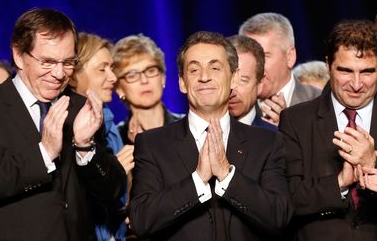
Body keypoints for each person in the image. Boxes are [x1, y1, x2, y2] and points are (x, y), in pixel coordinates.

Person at [129, 31, 292, 240]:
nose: (204, 77)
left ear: (234, 78)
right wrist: (197, 180)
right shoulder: (152, 144)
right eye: (194, 69)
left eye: (215, 68)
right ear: (182, 82)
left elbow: (279, 217)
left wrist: (227, 174)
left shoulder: (268, 143)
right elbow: (141, 220)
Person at [279, 20, 377, 241]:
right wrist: (339, 182)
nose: (357, 84)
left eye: (368, 72)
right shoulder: (296, 120)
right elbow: (285, 201)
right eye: (346, 71)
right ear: (328, 64)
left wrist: (373, 164)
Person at [0, 8, 126, 240]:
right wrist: (44, 153)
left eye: (68, 62)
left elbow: (113, 190)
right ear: (18, 55)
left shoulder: (81, 107)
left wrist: (85, 147)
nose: (59, 73)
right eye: (47, 61)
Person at [68, 32, 134, 241]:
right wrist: (112, 170)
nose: (113, 77)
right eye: (101, 69)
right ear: (73, 75)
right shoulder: (65, 128)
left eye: (111, 68)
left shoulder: (110, 125)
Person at [239, 12, 320, 125]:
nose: (255, 67)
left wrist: (286, 130)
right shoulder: (232, 105)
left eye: (264, 56)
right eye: (250, 57)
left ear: (290, 57)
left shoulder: (321, 102)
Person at [112, 33, 183, 145]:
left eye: (150, 70)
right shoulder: (114, 142)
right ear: (119, 88)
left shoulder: (189, 127)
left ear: (163, 78)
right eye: (132, 75)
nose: (144, 80)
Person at [227, 35, 276, 131]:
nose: (232, 92)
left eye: (242, 81)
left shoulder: (276, 138)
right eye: (227, 80)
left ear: (260, 84)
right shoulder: (195, 134)